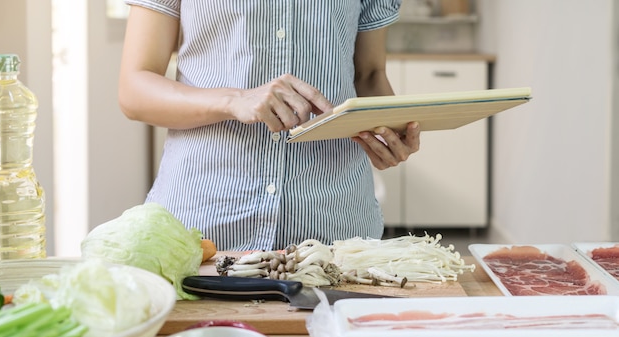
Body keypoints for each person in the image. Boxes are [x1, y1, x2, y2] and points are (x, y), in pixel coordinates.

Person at [118, 1, 421, 251]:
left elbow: (368, 74)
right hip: (202, 222)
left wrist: (389, 129)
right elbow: (134, 89)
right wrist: (234, 99)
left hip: (335, 223)